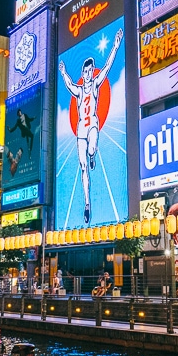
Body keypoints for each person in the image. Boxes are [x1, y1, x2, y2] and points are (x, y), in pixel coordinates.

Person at [58, 27, 123, 224]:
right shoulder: (78, 90)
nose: (87, 73)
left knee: (92, 147)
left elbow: (108, 67)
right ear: (82, 72)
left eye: (89, 70)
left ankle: (93, 154)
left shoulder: (95, 84)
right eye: (85, 71)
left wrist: (115, 45)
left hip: (92, 125)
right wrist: (62, 72)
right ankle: (87, 204)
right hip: (80, 130)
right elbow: (68, 84)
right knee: (83, 167)